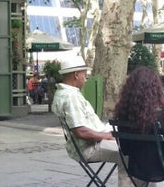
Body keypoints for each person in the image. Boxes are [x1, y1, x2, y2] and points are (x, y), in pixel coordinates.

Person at [51, 56, 130, 186]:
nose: (86, 79)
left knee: (131, 147)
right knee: (130, 152)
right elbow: (80, 131)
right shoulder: (71, 97)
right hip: (90, 147)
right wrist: (108, 136)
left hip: (86, 144)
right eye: (84, 75)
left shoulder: (62, 93)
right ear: (76, 75)